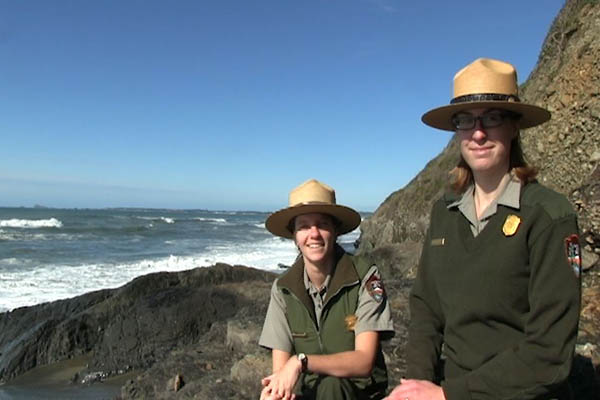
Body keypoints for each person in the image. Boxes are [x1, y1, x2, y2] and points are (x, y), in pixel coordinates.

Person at [387, 58, 581, 400]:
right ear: (457, 132)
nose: (478, 133)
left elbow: (550, 353)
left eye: (492, 118)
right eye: (465, 120)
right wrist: (415, 385)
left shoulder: (549, 216)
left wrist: (446, 396)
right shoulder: (443, 212)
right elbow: (426, 309)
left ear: (514, 126)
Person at [259, 178, 394, 400]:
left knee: (333, 386)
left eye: (322, 224)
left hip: (360, 394)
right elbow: (281, 371)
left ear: (335, 231)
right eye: (303, 226)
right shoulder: (282, 289)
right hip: (311, 394)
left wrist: (301, 361)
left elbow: (364, 361)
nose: (313, 234)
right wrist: (276, 393)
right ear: (294, 236)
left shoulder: (364, 276)